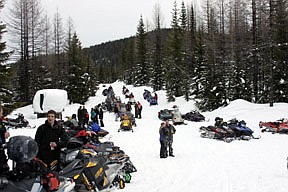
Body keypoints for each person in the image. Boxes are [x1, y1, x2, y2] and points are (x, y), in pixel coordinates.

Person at [0, 106, 10, 173]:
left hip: (1, 149)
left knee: (5, 168)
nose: (2, 115)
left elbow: (2, 130)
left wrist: (5, 133)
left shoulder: (1, 122)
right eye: (1, 113)